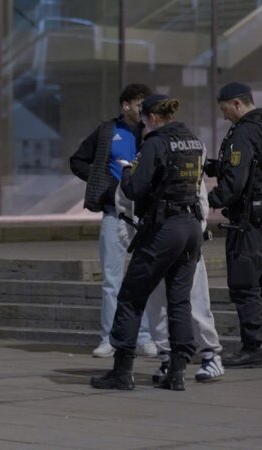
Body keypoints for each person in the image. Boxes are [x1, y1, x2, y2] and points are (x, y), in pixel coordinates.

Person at [91, 94, 204, 391]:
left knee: (130, 296)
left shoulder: (156, 143)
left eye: (144, 120)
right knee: (179, 300)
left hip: (165, 227)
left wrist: (128, 170)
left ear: (152, 118)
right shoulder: (191, 140)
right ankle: (177, 371)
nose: (143, 125)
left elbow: (134, 189)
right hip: (191, 225)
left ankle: (122, 370)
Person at [206, 82, 262, 368]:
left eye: (225, 109)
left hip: (250, 222)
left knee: (244, 285)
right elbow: (258, 166)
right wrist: (215, 166)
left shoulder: (244, 131)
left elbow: (236, 182)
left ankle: (252, 348)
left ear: (237, 104)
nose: (224, 116)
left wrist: (208, 201)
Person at [69, 83, 154, 358]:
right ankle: (109, 338)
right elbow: (78, 160)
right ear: (125, 105)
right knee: (112, 280)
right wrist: (104, 186)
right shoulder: (108, 131)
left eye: (146, 103)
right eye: (139, 103)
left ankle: (144, 337)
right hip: (114, 213)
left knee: (144, 278)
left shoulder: (152, 132)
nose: (143, 109)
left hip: (145, 214)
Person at [144, 181, 225, 383]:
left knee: (194, 301)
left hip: (182, 237)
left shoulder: (183, 152)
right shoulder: (150, 153)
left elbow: (200, 199)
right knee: (158, 303)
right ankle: (167, 357)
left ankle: (210, 354)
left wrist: (197, 230)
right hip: (160, 238)